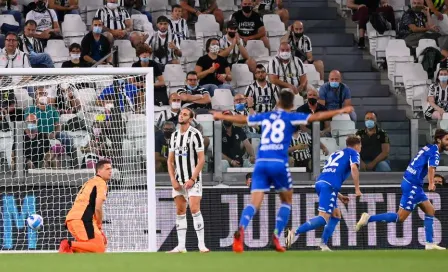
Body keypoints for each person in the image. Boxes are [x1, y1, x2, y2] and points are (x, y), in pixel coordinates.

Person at [212, 90, 354, 253]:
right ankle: (276, 236)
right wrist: (341, 111)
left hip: (261, 163)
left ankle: (241, 229)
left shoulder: (266, 116)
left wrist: (222, 116)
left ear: (277, 103)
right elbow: (316, 117)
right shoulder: (291, 117)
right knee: (286, 202)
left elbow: (242, 119)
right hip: (278, 163)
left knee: (254, 203)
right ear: (291, 106)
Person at [355, 129, 448, 250]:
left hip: (413, 183)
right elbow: (431, 168)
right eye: (447, 139)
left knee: (430, 210)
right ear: (438, 139)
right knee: (400, 217)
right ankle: (369, 218)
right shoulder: (435, 152)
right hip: (412, 185)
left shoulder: (429, 147)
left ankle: (429, 243)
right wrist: (431, 183)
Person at [285, 135, 362, 251]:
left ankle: (323, 244)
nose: (360, 148)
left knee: (336, 215)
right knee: (323, 218)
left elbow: (330, 173)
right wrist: (357, 188)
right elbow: (354, 168)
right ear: (357, 145)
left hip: (321, 183)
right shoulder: (354, 153)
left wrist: (339, 195)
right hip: (329, 186)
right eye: (360, 145)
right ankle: (294, 232)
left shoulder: (336, 153)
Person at [167, 108, 209, 253]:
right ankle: (181, 246)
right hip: (178, 180)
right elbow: (170, 160)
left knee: (194, 208)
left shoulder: (195, 134)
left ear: (190, 119)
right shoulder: (173, 136)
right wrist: (172, 179)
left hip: (193, 180)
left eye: (185, 114)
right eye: (180, 114)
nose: (181, 116)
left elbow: (201, 159)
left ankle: (201, 245)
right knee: (180, 210)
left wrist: (192, 178)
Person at [59, 160, 112, 253]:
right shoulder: (101, 183)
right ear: (99, 171)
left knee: (86, 249)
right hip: (82, 219)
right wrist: (99, 225)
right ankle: (68, 244)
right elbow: (98, 207)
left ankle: (69, 252)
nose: (110, 171)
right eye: (107, 169)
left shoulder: (90, 182)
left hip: (73, 219)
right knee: (99, 248)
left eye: (111, 169)